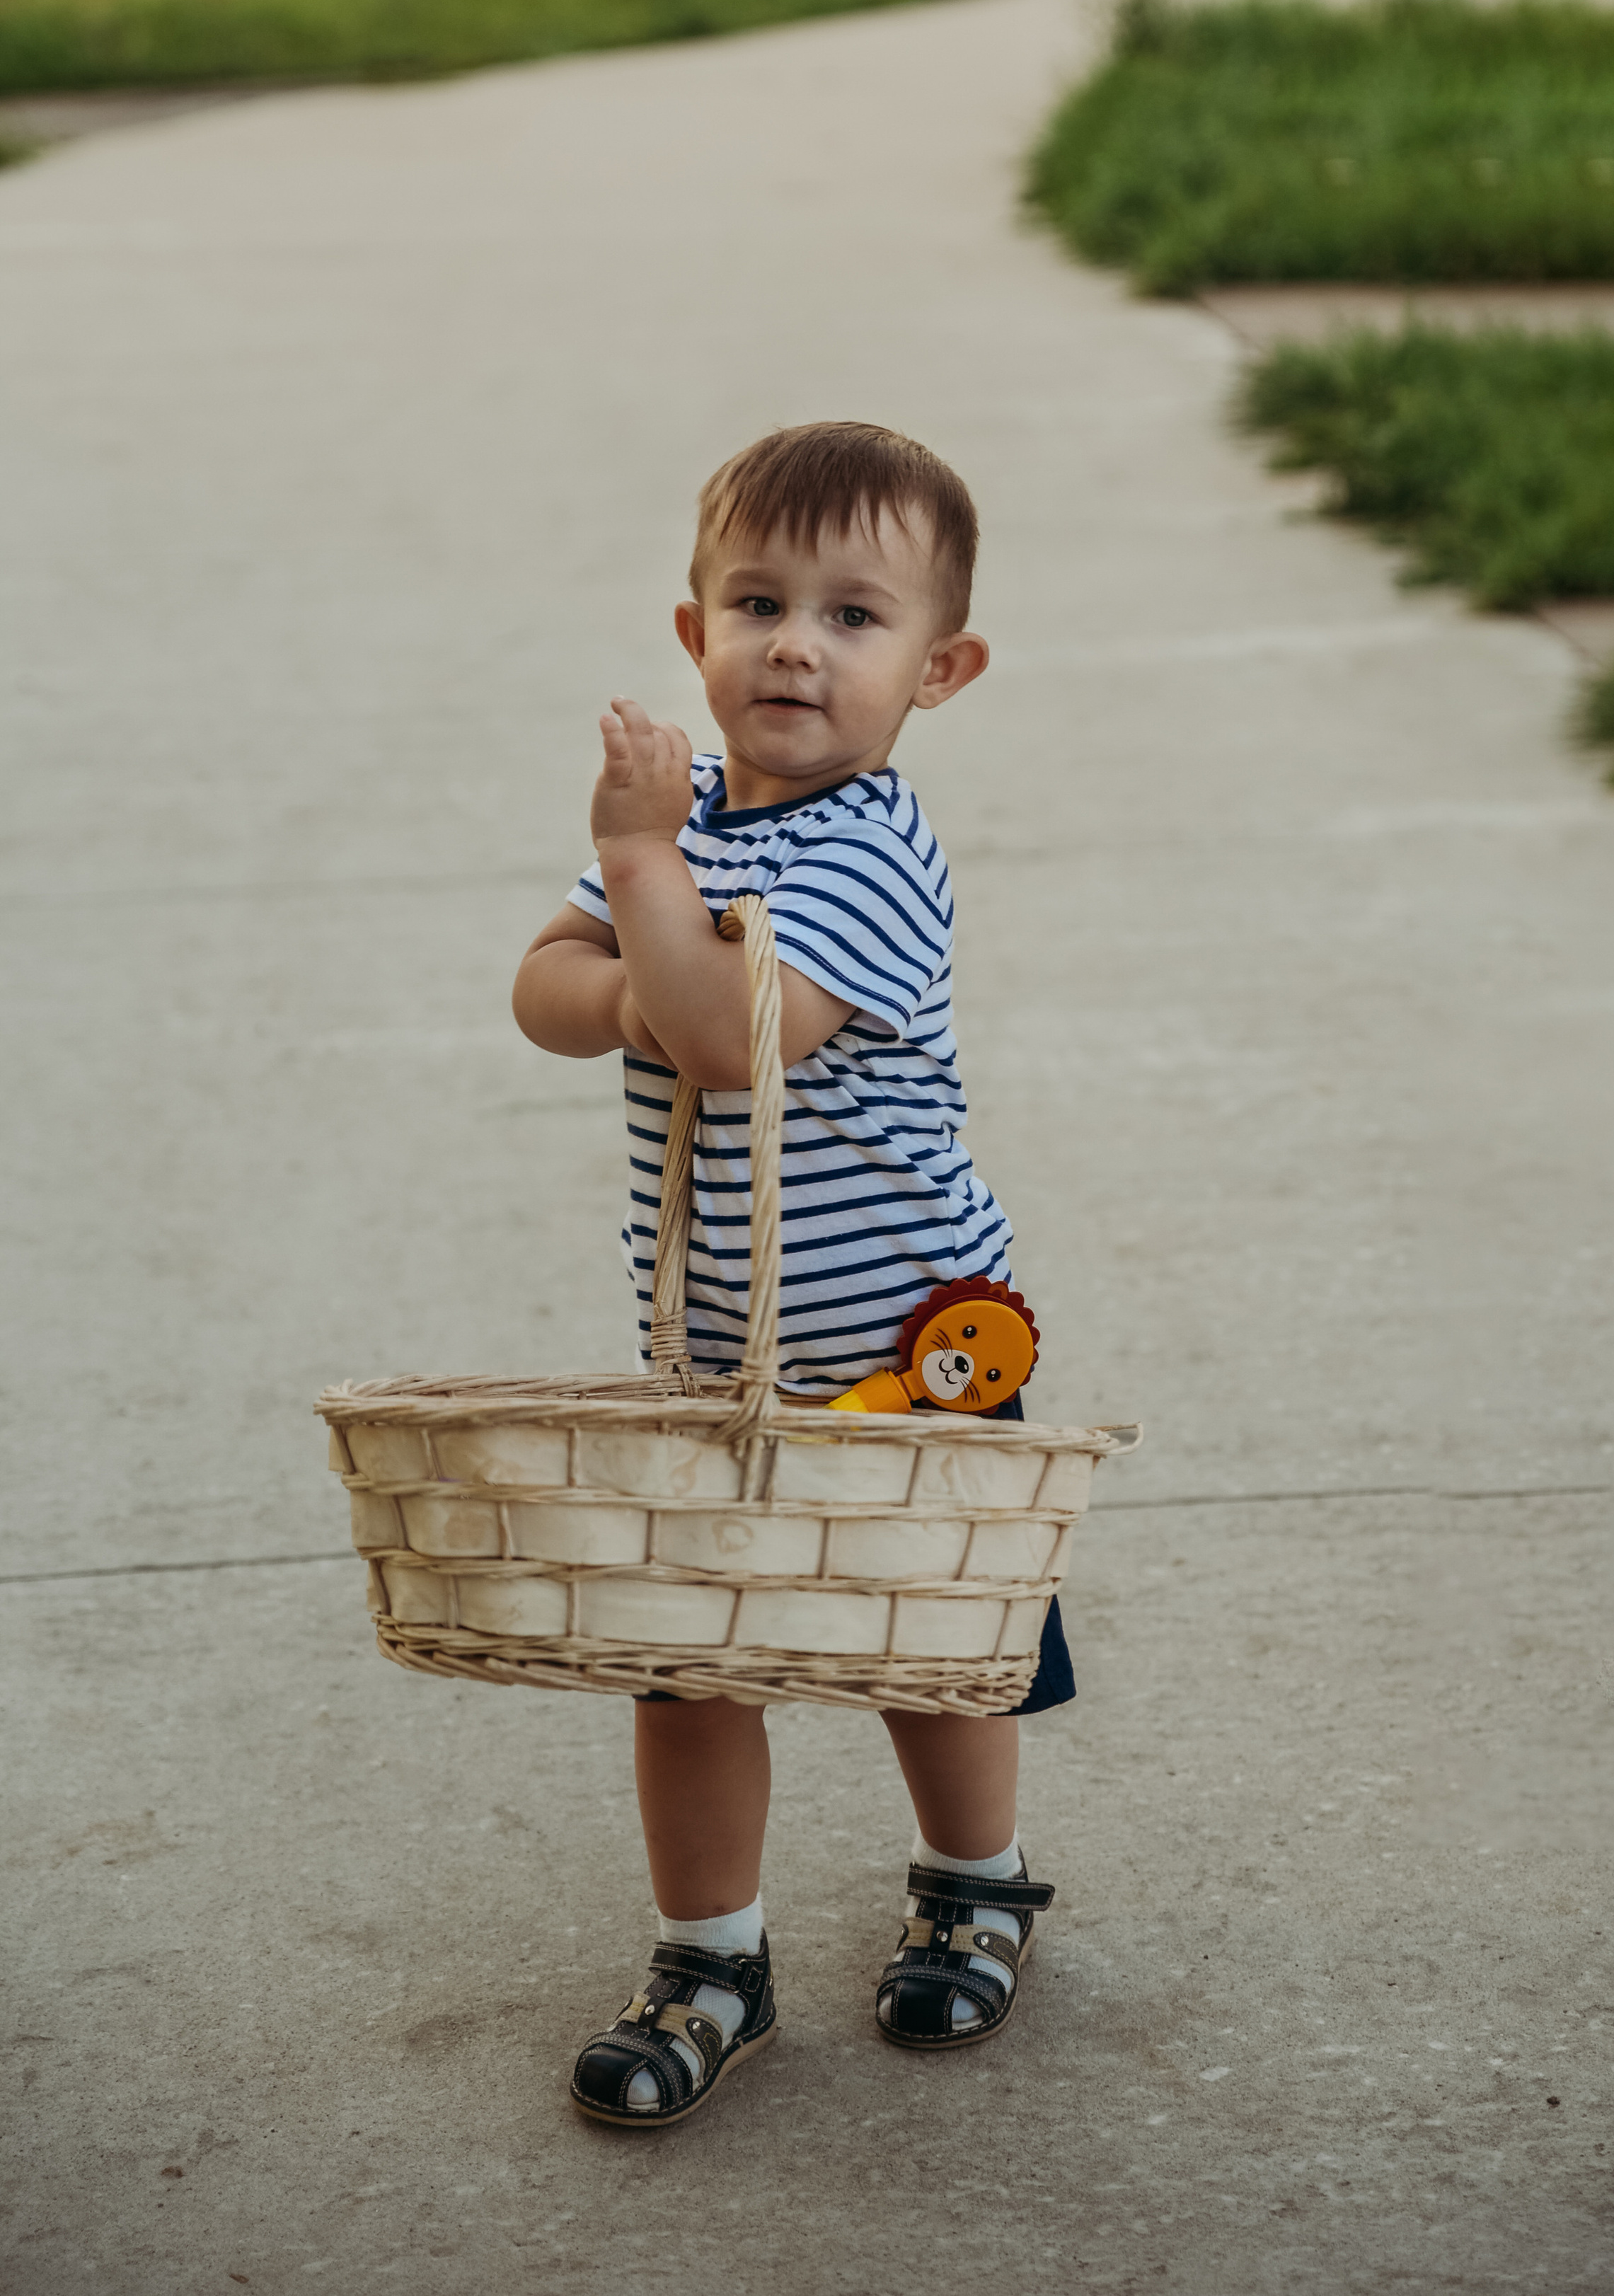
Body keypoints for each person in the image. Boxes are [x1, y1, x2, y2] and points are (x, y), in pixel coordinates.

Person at [512, 420, 1070, 2128]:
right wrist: (625, 922)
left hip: (910, 1353)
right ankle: (711, 1957)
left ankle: (975, 1881)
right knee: (686, 1661)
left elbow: (725, 1038)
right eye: (756, 602)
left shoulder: (869, 855)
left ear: (938, 669)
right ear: (694, 636)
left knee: (930, 1652)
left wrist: (635, 884)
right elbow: (547, 986)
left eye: (853, 616)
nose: (796, 645)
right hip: (717, 1361)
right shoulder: (681, 825)